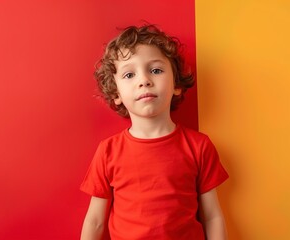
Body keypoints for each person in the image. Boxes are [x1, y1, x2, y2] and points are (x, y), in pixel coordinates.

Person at [80, 24, 229, 240]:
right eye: (129, 74)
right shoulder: (108, 151)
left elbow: (212, 215)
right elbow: (95, 220)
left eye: (156, 70)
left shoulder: (199, 146)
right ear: (116, 93)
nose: (144, 81)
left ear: (176, 84)